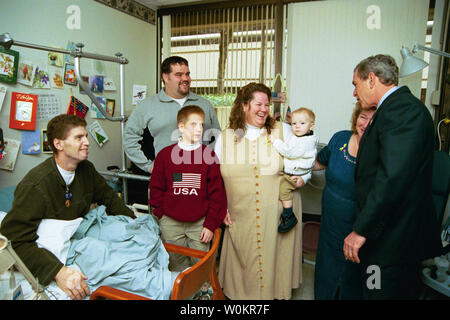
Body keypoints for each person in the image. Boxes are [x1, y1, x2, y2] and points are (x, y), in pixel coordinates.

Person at [0, 114, 135, 300]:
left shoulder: (86, 170)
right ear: (58, 144)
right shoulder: (37, 184)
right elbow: (14, 240)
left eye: (86, 136)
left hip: (77, 241)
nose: (87, 142)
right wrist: (58, 271)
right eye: (79, 137)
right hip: (49, 250)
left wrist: (136, 225)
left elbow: (110, 199)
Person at [344, 54, 443, 299]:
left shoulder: (402, 110)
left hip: (392, 240)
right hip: (385, 235)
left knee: (378, 293)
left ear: (371, 79)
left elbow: (393, 178)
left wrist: (361, 230)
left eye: (355, 84)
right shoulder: (392, 109)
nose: (355, 93)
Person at [214, 82, 308, 300]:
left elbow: (305, 157)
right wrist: (221, 207)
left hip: (275, 212)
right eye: (258, 104)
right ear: (244, 106)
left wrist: (304, 177)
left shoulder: (283, 130)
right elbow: (214, 177)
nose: (264, 109)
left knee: (274, 262)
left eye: (267, 104)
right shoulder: (225, 137)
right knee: (244, 264)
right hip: (240, 212)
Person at [149, 105, 227, 273]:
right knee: (175, 265)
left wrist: (210, 224)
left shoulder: (209, 156)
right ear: (181, 126)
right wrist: (161, 214)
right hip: (170, 223)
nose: (199, 129)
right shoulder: (165, 155)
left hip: (199, 224)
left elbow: (217, 195)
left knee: (201, 267)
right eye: (194, 124)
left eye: (201, 125)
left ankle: (203, 293)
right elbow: (156, 188)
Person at [313, 103, 375, 300]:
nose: (365, 124)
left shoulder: (381, 151)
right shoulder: (340, 138)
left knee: (353, 275)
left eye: (373, 120)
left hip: (358, 227)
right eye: (363, 117)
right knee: (326, 267)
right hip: (330, 222)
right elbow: (318, 163)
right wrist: (291, 165)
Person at [123, 56, 221, 175]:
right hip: (167, 177)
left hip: (201, 176)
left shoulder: (204, 104)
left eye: (187, 74)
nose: (185, 79)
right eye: (179, 75)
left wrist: (212, 165)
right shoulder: (146, 106)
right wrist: (149, 167)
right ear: (165, 77)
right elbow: (129, 139)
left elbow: (217, 138)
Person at [269, 107, 318, 233]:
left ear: (311, 126)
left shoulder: (305, 142)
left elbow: (288, 151)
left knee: (284, 190)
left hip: (297, 173)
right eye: (294, 123)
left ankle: (288, 215)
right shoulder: (302, 135)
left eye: (302, 123)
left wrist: (275, 141)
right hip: (301, 169)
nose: (297, 127)